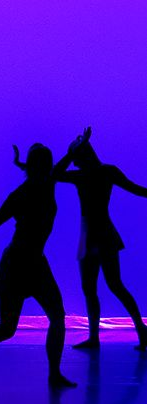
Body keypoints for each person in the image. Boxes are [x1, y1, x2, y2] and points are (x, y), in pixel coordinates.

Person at [0, 140, 80, 388]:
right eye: (44, 164)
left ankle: (54, 374)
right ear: (38, 166)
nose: (48, 168)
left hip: (34, 262)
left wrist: (75, 149)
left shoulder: (47, 183)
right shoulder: (23, 193)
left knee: (56, 317)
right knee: (7, 329)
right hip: (17, 264)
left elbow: (61, 164)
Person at [52, 128, 147, 350]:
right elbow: (135, 189)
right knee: (113, 285)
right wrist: (75, 149)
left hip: (92, 237)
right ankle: (136, 331)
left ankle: (98, 337)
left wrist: (71, 152)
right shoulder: (105, 172)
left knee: (95, 288)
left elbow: (55, 174)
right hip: (102, 235)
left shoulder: (83, 176)